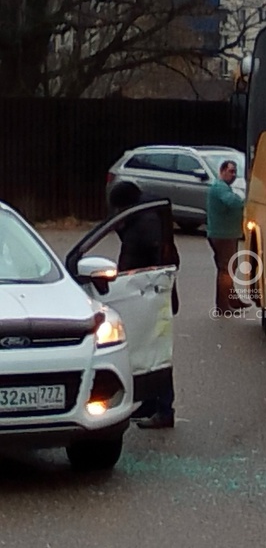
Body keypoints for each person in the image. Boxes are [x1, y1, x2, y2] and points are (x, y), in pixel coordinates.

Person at [108, 181, 180, 429]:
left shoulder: (144, 222)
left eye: (117, 209)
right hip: (148, 296)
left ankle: (163, 408)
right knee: (147, 351)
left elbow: (154, 258)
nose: (115, 215)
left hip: (149, 297)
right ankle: (150, 404)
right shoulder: (145, 213)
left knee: (156, 354)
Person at [206, 160, 251, 314]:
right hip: (223, 235)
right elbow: (232, 202)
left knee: (229, 267)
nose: (233, 175)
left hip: (226, 234)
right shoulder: (220, 188)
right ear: (222, 171)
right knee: (226, 269)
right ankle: (223, 306)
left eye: (235, 172)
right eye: (231, 171)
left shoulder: (223, 187)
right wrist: (243, 201)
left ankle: (232, 300)